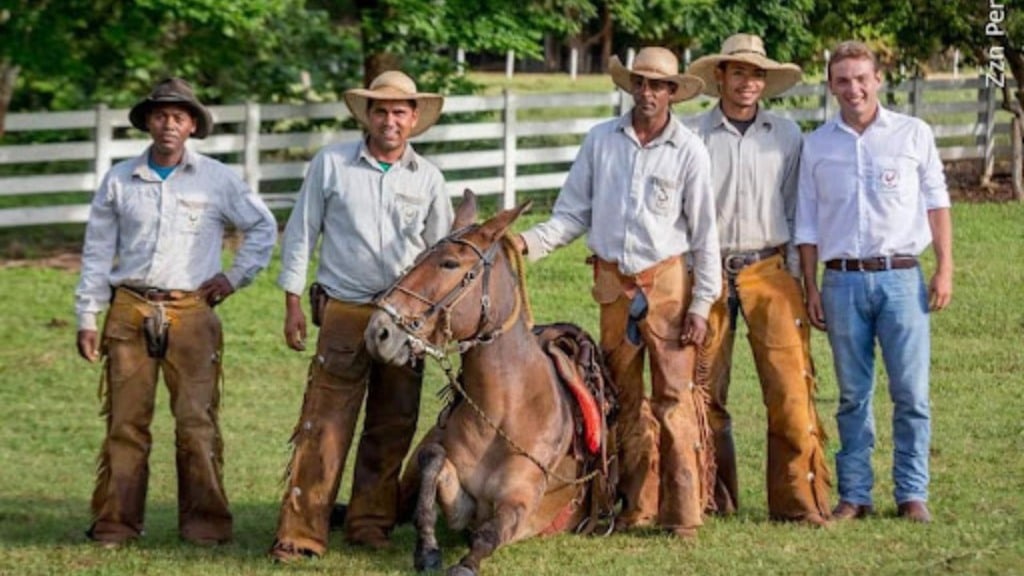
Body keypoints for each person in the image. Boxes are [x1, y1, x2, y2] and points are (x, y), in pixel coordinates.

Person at [514, 47, 721, 539]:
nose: (648, 92)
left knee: (674, 399)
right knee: (621, 397)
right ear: (630, 86)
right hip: (613, 287)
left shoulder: (689, 149)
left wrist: (701, 303)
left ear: (673, 92)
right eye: (641, 83)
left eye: (658, 85)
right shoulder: (601, 142)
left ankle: (683, 513)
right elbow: (571, 214)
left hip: (668, 285)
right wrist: (526, 243)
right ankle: (633, 504)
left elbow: (705, 234)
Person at [74, 77, 277, 547]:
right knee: (126, 422)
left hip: (191, 310)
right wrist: (88, 315)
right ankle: (117, 523)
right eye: (161, 115)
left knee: (196, 421)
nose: (169, 124)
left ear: (192, 126)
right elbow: (97, 250)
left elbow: (261, 226)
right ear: (148, 121)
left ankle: (206, 523)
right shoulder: (121, 179)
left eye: (179, 116)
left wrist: (233, 277)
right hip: (129, 307)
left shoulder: (216, 179)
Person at [269, 70, 452, 560]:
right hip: (345, 309)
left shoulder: (429, 179)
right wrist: (291, 301)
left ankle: (369, 524)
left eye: (399, 112)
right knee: (324, 422)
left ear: (413, 120)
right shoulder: (331, 165)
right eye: (380, 111)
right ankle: (301, 532)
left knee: (392, 423)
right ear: (366, 116)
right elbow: (302, 231)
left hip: (404, 316)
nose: (389, 121)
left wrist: (433, 321)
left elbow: (440, 256)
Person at [795, 41, 953, 524]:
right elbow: (807, 223)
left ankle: (912, 493)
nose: (853, 88)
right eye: (842, 80)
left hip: (902, 278)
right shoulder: (816, 144)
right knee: (852, 395)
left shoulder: (912, 134)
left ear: (878, 79)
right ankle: (855, 494)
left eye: (861, 77)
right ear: (830, 86)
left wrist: (945, 267)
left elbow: (936, 201)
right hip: (841, 283)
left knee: (911, 393)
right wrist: (810, 287)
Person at [686, 34, 832, 526]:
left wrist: (797, 276)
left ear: (765, 82)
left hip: (771, 267)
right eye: (739, 72)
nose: (748, 82)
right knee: (703, 390)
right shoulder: (693, 137)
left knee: (790, 388)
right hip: (707, 270)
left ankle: (796, 502)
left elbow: (798, 208)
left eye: (756, 74)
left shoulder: (788, 136)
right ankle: (712, 496)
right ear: (720, 78)